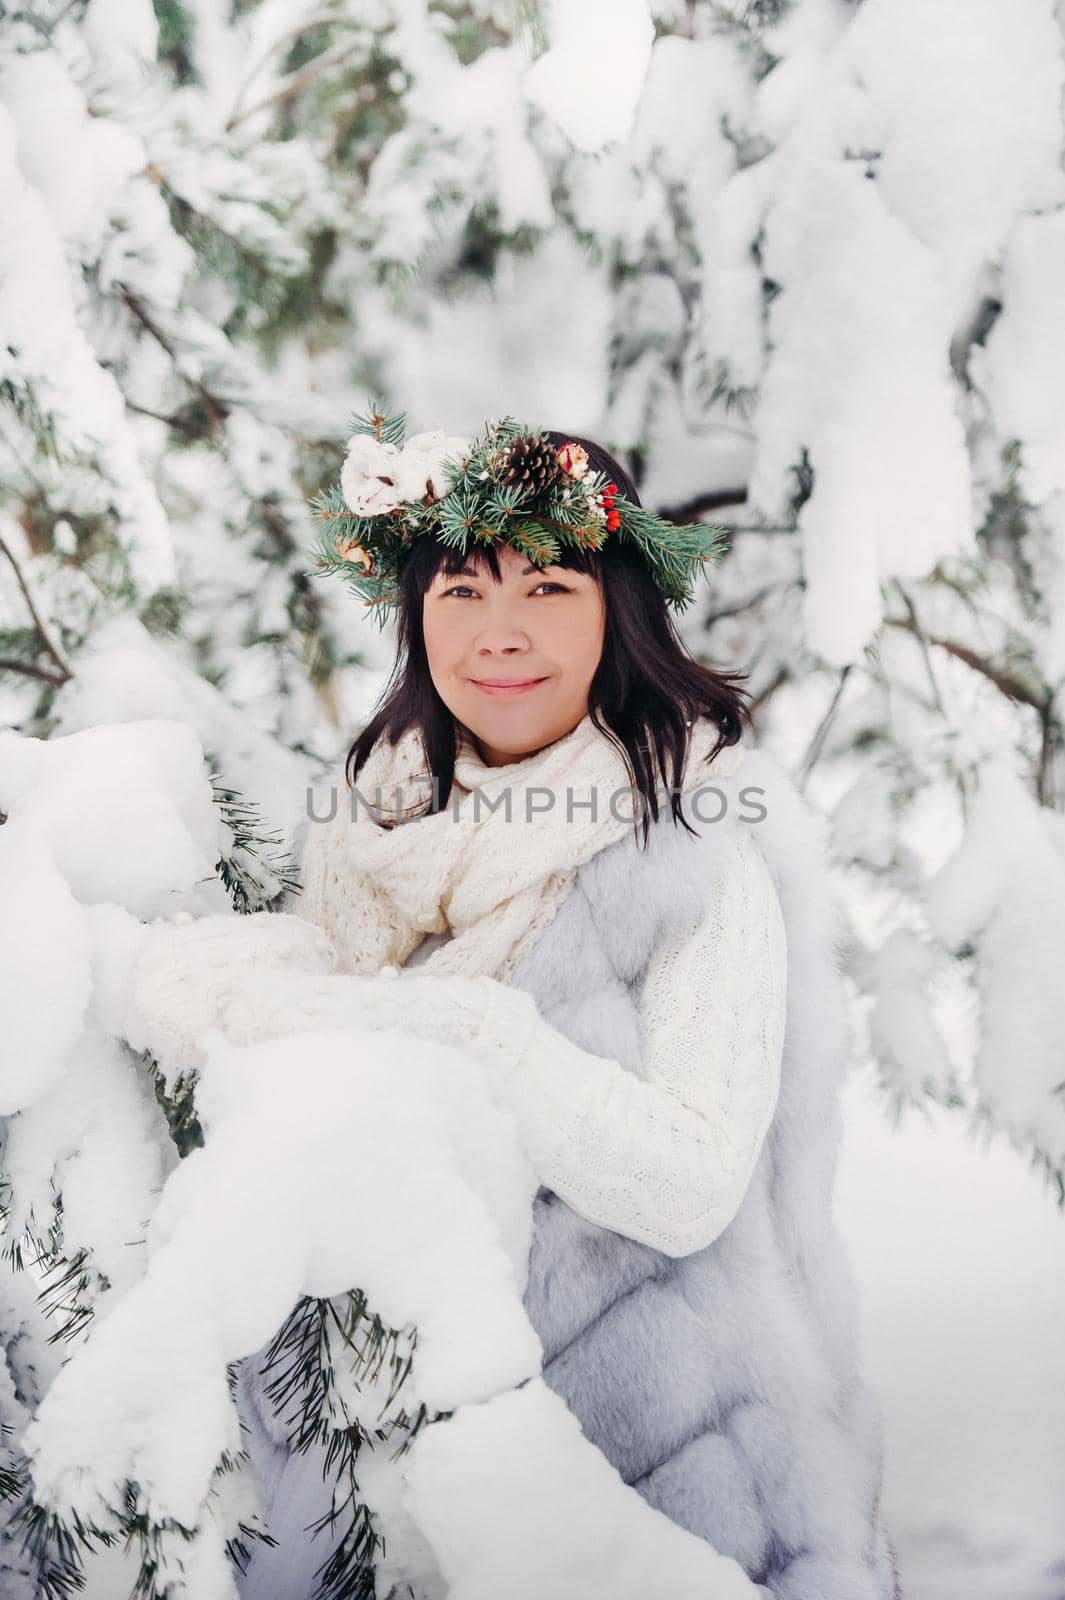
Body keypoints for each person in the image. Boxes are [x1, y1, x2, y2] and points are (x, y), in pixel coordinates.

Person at [122, 416, 903, 1599]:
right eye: (463, 589)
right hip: (407, 1480)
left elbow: (690, 1183)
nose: (500, 633)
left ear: (617, 607)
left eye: (547, 584)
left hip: (673, 1475)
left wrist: (471, 1033)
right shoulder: (373, 814)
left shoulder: (691, 840)